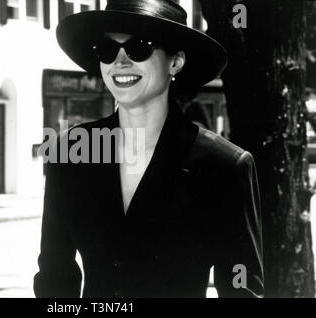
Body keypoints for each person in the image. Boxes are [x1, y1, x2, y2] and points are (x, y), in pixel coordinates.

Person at [34, 0, 263, 297]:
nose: (120, 62)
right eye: (107, 49)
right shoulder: (71, 152)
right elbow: (54, 276)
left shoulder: (224, 166)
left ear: (176, 62)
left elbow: (241, 292)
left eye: (139, 47)